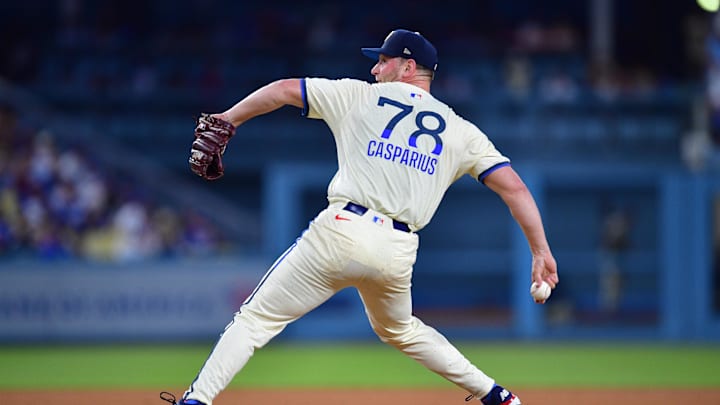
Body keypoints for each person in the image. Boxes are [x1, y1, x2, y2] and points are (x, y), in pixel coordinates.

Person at [163, 28, 558, 405]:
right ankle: (496, 395)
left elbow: (284, 90)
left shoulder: (359, 96)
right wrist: (540, 251)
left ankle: (198, 399)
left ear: (407, 66)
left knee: (254, 320)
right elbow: (515, 189)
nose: (373, 69)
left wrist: (229, 118)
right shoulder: (462, 131)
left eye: (382, 61)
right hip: (397, 250)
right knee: (400, 329)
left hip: (341, 231)